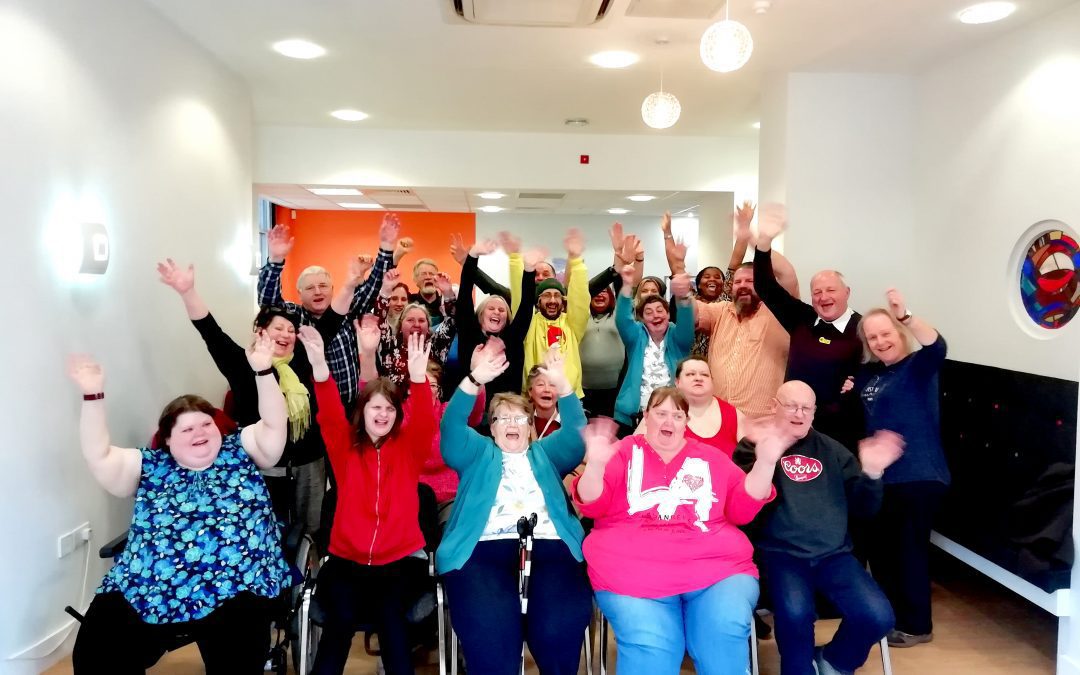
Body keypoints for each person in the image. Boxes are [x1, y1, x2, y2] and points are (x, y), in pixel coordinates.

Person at [68, 341, 291, 675]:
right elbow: (98, 455)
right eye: (187, 428)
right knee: (97, 650)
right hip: (155, 583)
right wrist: (92, 397)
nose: (200, 432)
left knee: (238, 655)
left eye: (206, 424)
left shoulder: (241, 449)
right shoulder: (150, 465)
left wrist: (262, 371)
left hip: (235, 583)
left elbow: (275, 424)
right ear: (168, 439)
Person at [572, 387, 785, 675]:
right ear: (646, 417)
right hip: (633, 576)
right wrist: (595, 464)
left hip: (716, 572)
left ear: (686, 421)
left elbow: (743, 510)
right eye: (660, 413)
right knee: (653, 648)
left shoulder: (711, 457)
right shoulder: (623, 452)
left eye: (677, 415)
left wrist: (766, 462)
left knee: (721, 634)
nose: (668, 421)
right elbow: (592, 505)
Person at [158, 258, 345, 535]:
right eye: (278, 328)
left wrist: (351, 281)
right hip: (261, 466)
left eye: (291, 331)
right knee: (264, 531)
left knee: (312, 531)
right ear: (260, 331)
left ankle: (308, 577)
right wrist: (188, 292)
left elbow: (332, 321)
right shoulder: (240, 363)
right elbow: (210, 331)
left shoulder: (303, 359)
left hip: (309, 462)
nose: (286, 335)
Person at [438, 345, 593, 675]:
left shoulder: (546, 453)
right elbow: (451, 427)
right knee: (494, 649)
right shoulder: (478, 452)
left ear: (530, 425)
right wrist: (473, 380)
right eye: (502, 418)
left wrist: (563, 386)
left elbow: (579, 437)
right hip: (481, 551)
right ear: (491, 428)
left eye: (520, 417)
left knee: (557, 637)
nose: (512, 423)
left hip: (551, 549)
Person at [733, 381, 903, 675]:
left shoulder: (833, 450)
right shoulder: (754, 445)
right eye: (791, 405)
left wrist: (873, 473)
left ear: (814, 413)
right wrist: (765, 460)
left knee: (878, 616)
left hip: (833, 555)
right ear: (775, 406)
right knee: (796, 615)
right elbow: (741, 505)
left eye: (806, 408)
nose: (798, 413)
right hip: (780, 555)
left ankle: (833, 660)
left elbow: (864, 509)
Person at [303, 326, 437, 675]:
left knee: (392, 622)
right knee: (340, 622)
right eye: (375, 407)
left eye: (390, 409)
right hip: (348, 561)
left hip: (400, 560)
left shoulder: (409, 449)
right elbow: (329, 412)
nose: (382, 414)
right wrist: (319, 367)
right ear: (362, 411)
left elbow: (424, 421)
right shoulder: (345, 448)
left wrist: (420, 380)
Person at [854, 289, 950, 648]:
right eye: (873, 337)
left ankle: (916, 625)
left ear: (899, 333)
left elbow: (937, 346)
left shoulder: (917, 366)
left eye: (886, 333)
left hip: (919, 473)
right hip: (883, 476)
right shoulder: (871, 374)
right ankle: (889, 617)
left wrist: (906, 314)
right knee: (881, 549)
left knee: (908, 549)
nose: (880, 341)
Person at [752, 204, 865, 451]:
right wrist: (764, 243)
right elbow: (765, 286)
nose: (823, 297)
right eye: (817, 292)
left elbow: (882, 367)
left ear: (847, 293)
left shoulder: (864, 328)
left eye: (831, 290)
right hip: (792, 426)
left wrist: (860, 383)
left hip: (839, 432)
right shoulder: (802, 317)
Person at [259, 214, 399, 409]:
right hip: (310, 409)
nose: (318, 291)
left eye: (323, 285)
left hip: (350, 404)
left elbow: (373, 286)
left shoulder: (348, 310)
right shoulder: (293, 316)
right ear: (299, 294)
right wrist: (275, 261)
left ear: (333, 289)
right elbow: (268, 302)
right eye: (310, 288)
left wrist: (386, 247)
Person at [693, 257, 797, 418]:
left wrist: (760, 243)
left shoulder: (779, 313)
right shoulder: (721, 310)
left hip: (762, 422)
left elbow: (788, 275)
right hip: (718, 418)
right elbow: (693, 315)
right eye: (738, 282)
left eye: (750, 281)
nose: (742, 285)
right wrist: (678, 273)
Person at [450, 236, 542, 397]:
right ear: (480, 315)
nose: (497, 312)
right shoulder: (469, 334)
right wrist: (473, 255)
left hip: (506, 412)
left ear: (507, 319)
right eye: (491, 308)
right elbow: (465, 293)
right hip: (473, 410)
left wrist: (529, 269)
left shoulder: (513, 339)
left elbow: (527, 305)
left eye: (502, 310)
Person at [613, 265, 695, 433]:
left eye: (660, 310)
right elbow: (623, 319)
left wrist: (684, 295)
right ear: (642, 318)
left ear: (668, 315)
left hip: (672, 415)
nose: (655, 315)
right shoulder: (636, 337)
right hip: (634, 416)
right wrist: (627, 285)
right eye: (649, 312)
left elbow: (687, 320)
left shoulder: (678, 338)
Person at [661, 206, 751, 357]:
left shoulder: (727, 300)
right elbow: (676, 268)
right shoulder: (691, 300)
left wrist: (745, 226)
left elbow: (736, 260)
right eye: (707, 276)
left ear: (725, 283)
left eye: (717, 277)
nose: (712, 280)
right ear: (699, 282)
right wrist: (667, 233)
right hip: (691, 361)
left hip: (723, 360)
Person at [522, 228, 590, 397]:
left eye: (557, 296)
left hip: (570, 394)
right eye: (546, 295)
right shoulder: (529, 323)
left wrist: (576, 261)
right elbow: (519, 298)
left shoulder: (572, 323)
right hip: (536, 396)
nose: (552, 300)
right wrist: (520, 264)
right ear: (538, 301)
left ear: (563, 300)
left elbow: (580, 298)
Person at [671, 356, 747, 457]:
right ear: (677, 382)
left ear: (712, 381)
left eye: (705, 375)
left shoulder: (734, 415)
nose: (698, 378)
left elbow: (753, 460)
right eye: (690, 374)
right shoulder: (660, 412)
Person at [409, 257, 454, 327]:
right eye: (423, 274)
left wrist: (448, 291)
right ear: (415, 279)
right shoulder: (408, 302)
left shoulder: (446, 303)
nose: (428, 277)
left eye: (432, 274)